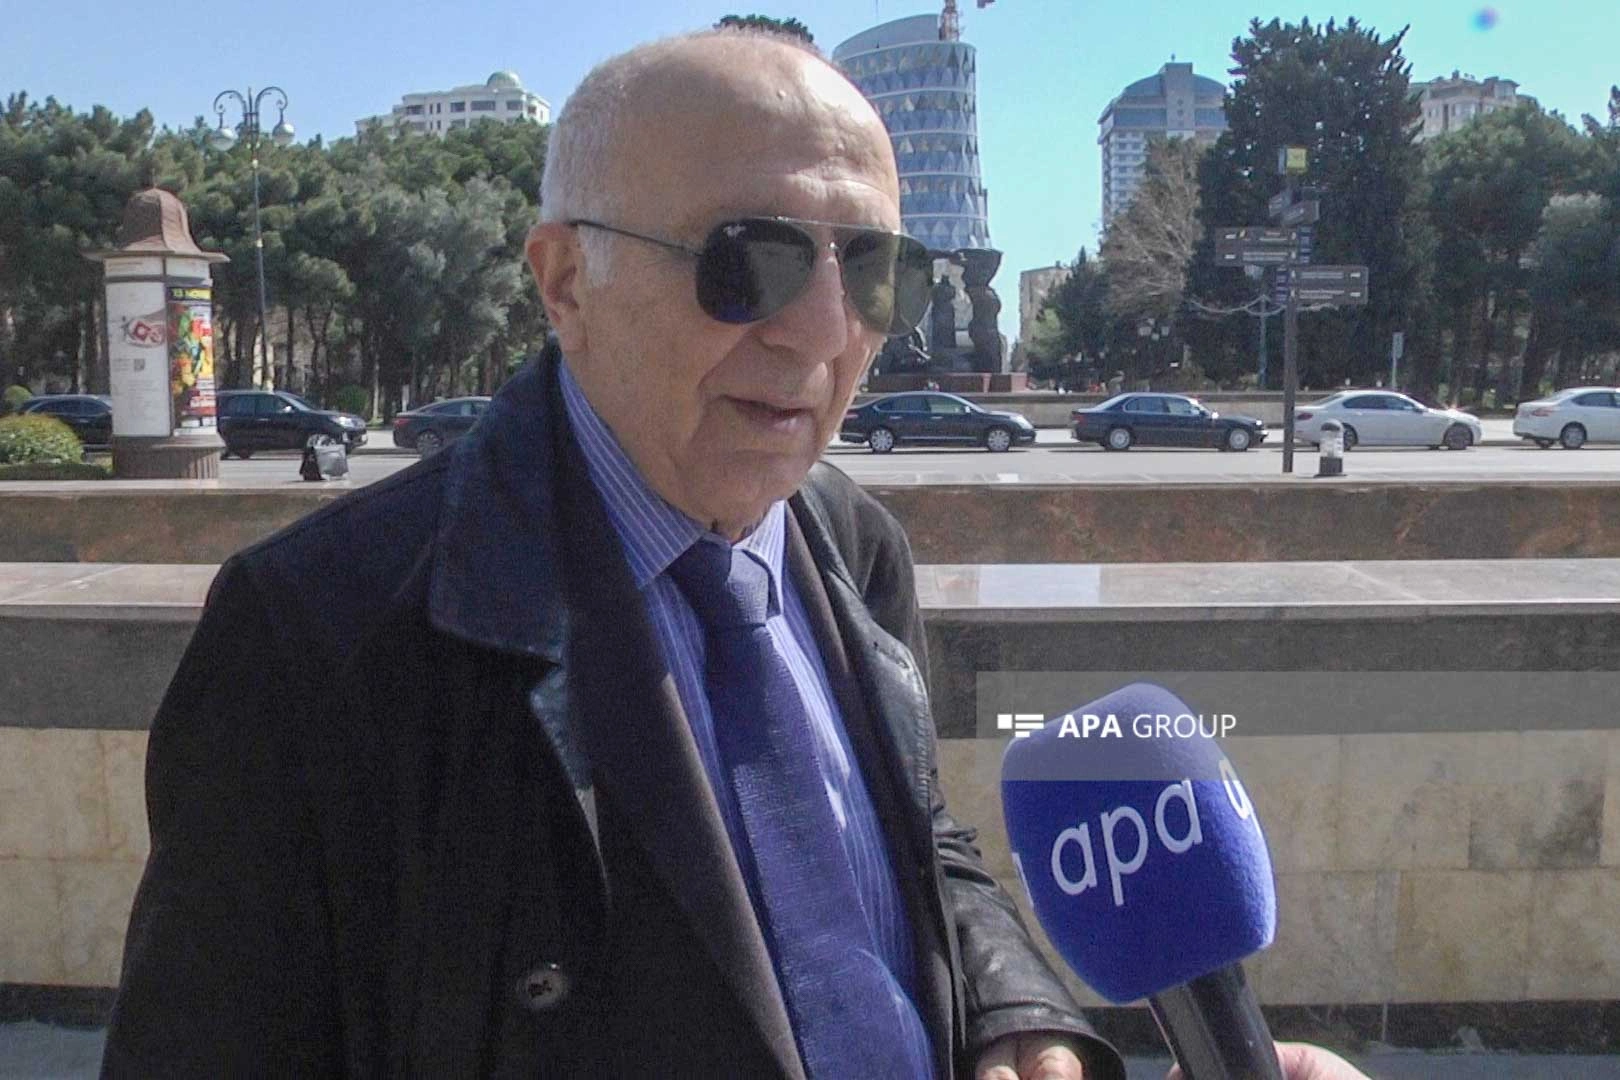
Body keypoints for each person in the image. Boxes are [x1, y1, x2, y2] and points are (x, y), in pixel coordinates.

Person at [103, 30, 1364, 1080]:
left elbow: (917, 846)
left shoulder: (852, 544)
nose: (822, 331)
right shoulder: (318, 638)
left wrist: (1014, 1015)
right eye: (748, 261)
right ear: (565, 281)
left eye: (874, 269)